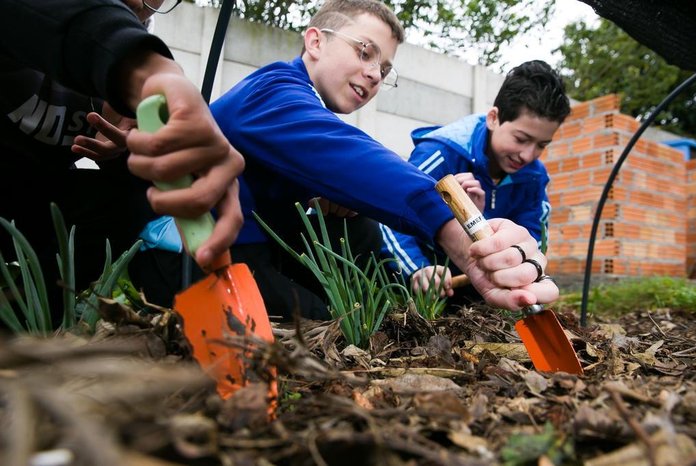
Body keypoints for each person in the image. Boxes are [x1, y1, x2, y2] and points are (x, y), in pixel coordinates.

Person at [139, 0, 558, 321]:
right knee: (332, 324)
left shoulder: (303, 105)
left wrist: (324, 201)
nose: (375, 73)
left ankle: (396, 303)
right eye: (364, 52)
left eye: (385, 66)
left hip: (253, 250)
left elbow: (333, 167)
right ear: (316, 41)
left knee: (354, 223)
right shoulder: (271, 92)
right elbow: (347, 153)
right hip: (189, 260)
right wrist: (456, 230)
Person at [0, 0, 244, 325]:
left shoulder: (128, 56)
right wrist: (146, 69)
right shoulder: (122, 49)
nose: (142, 7)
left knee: (127, 202)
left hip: (38, 194)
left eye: (150, 7)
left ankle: (23, 326)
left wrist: (124, 152)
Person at [381, 60, 570, 299]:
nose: (528, 155)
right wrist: (417, 268)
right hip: (420, 284)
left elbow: (532, 239)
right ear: (493, 118)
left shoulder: (534, 177)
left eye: (541, 145)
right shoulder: (439, 155)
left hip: (480, 286)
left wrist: (481, 220)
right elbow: (392, 214)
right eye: (521, 139)